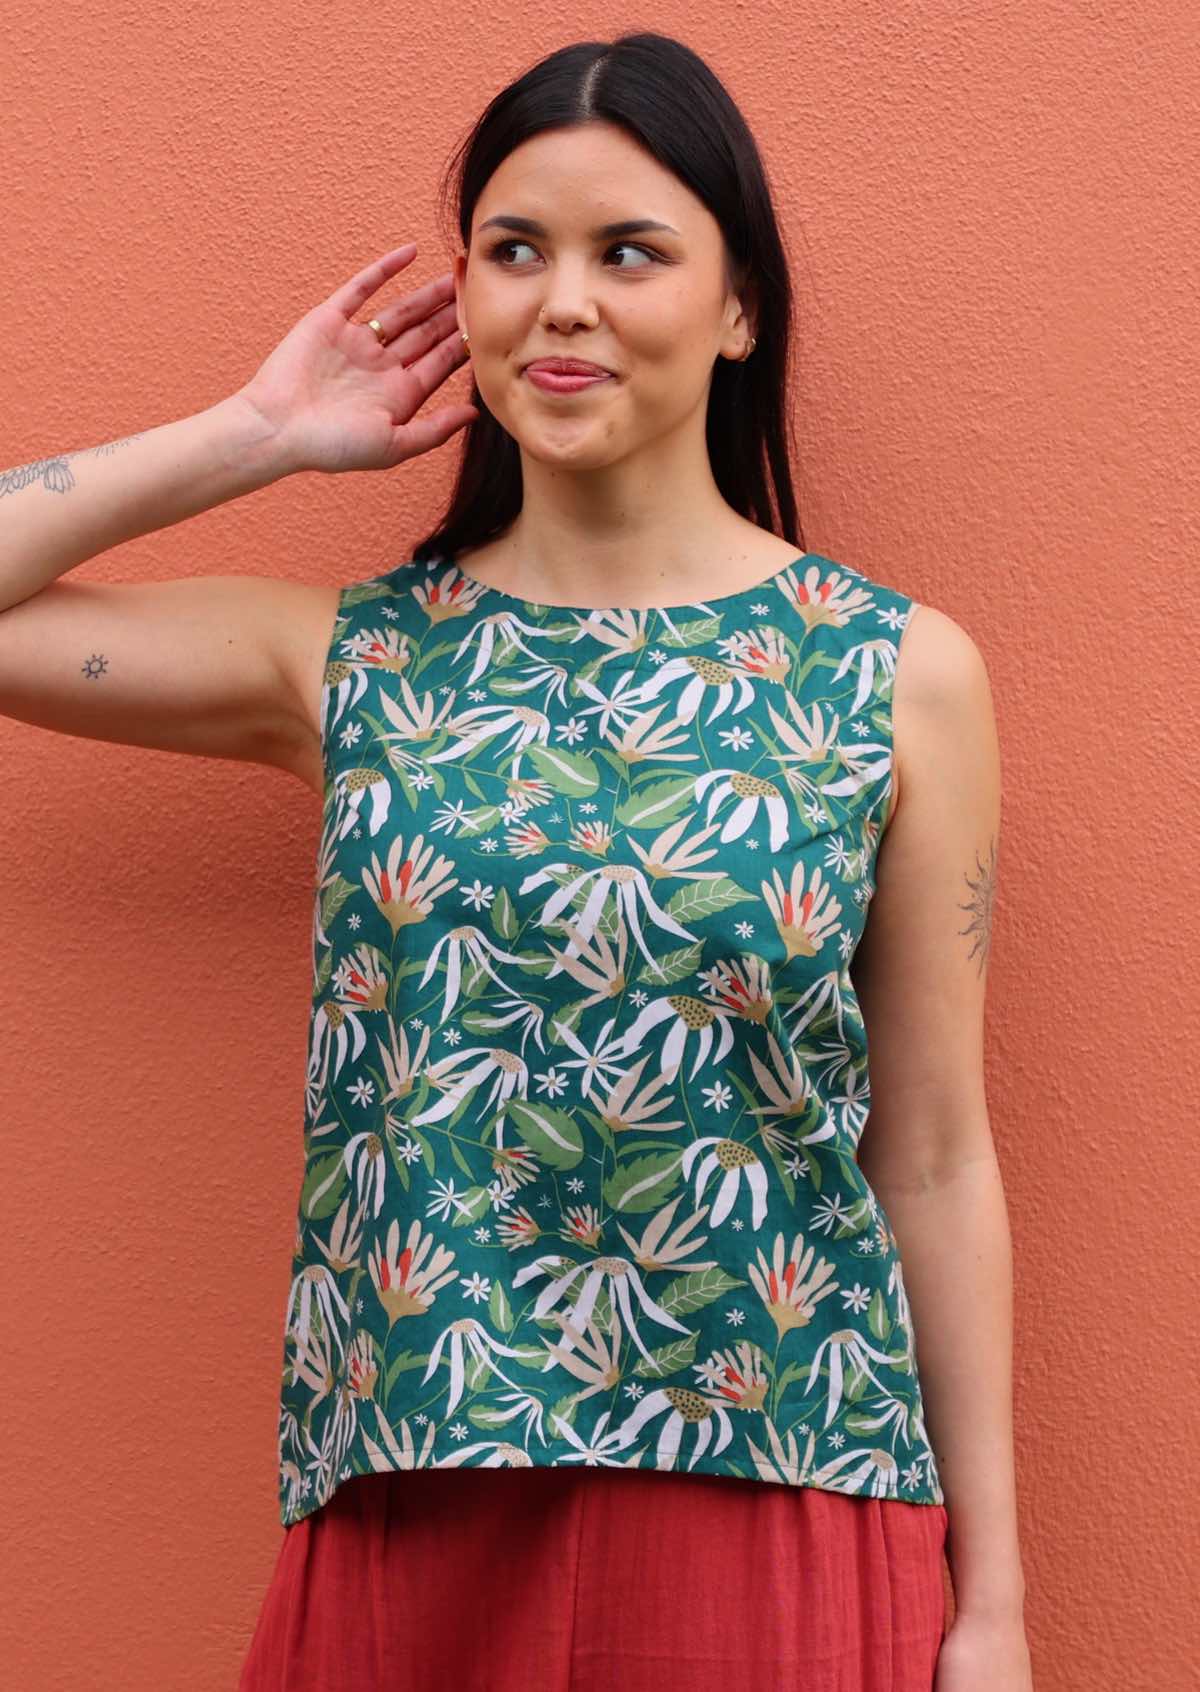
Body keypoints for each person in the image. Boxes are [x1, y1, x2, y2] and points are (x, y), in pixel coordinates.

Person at [0, 30, 1032, 1692]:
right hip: (417, 1489)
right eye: (514, 248)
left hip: (780, 1487)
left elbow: (932, 1156)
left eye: (632, 251)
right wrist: (260, 432)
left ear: (741, 305)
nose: (565, 302)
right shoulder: (348, 665)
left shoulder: (897, 674)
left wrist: (992, 1607)